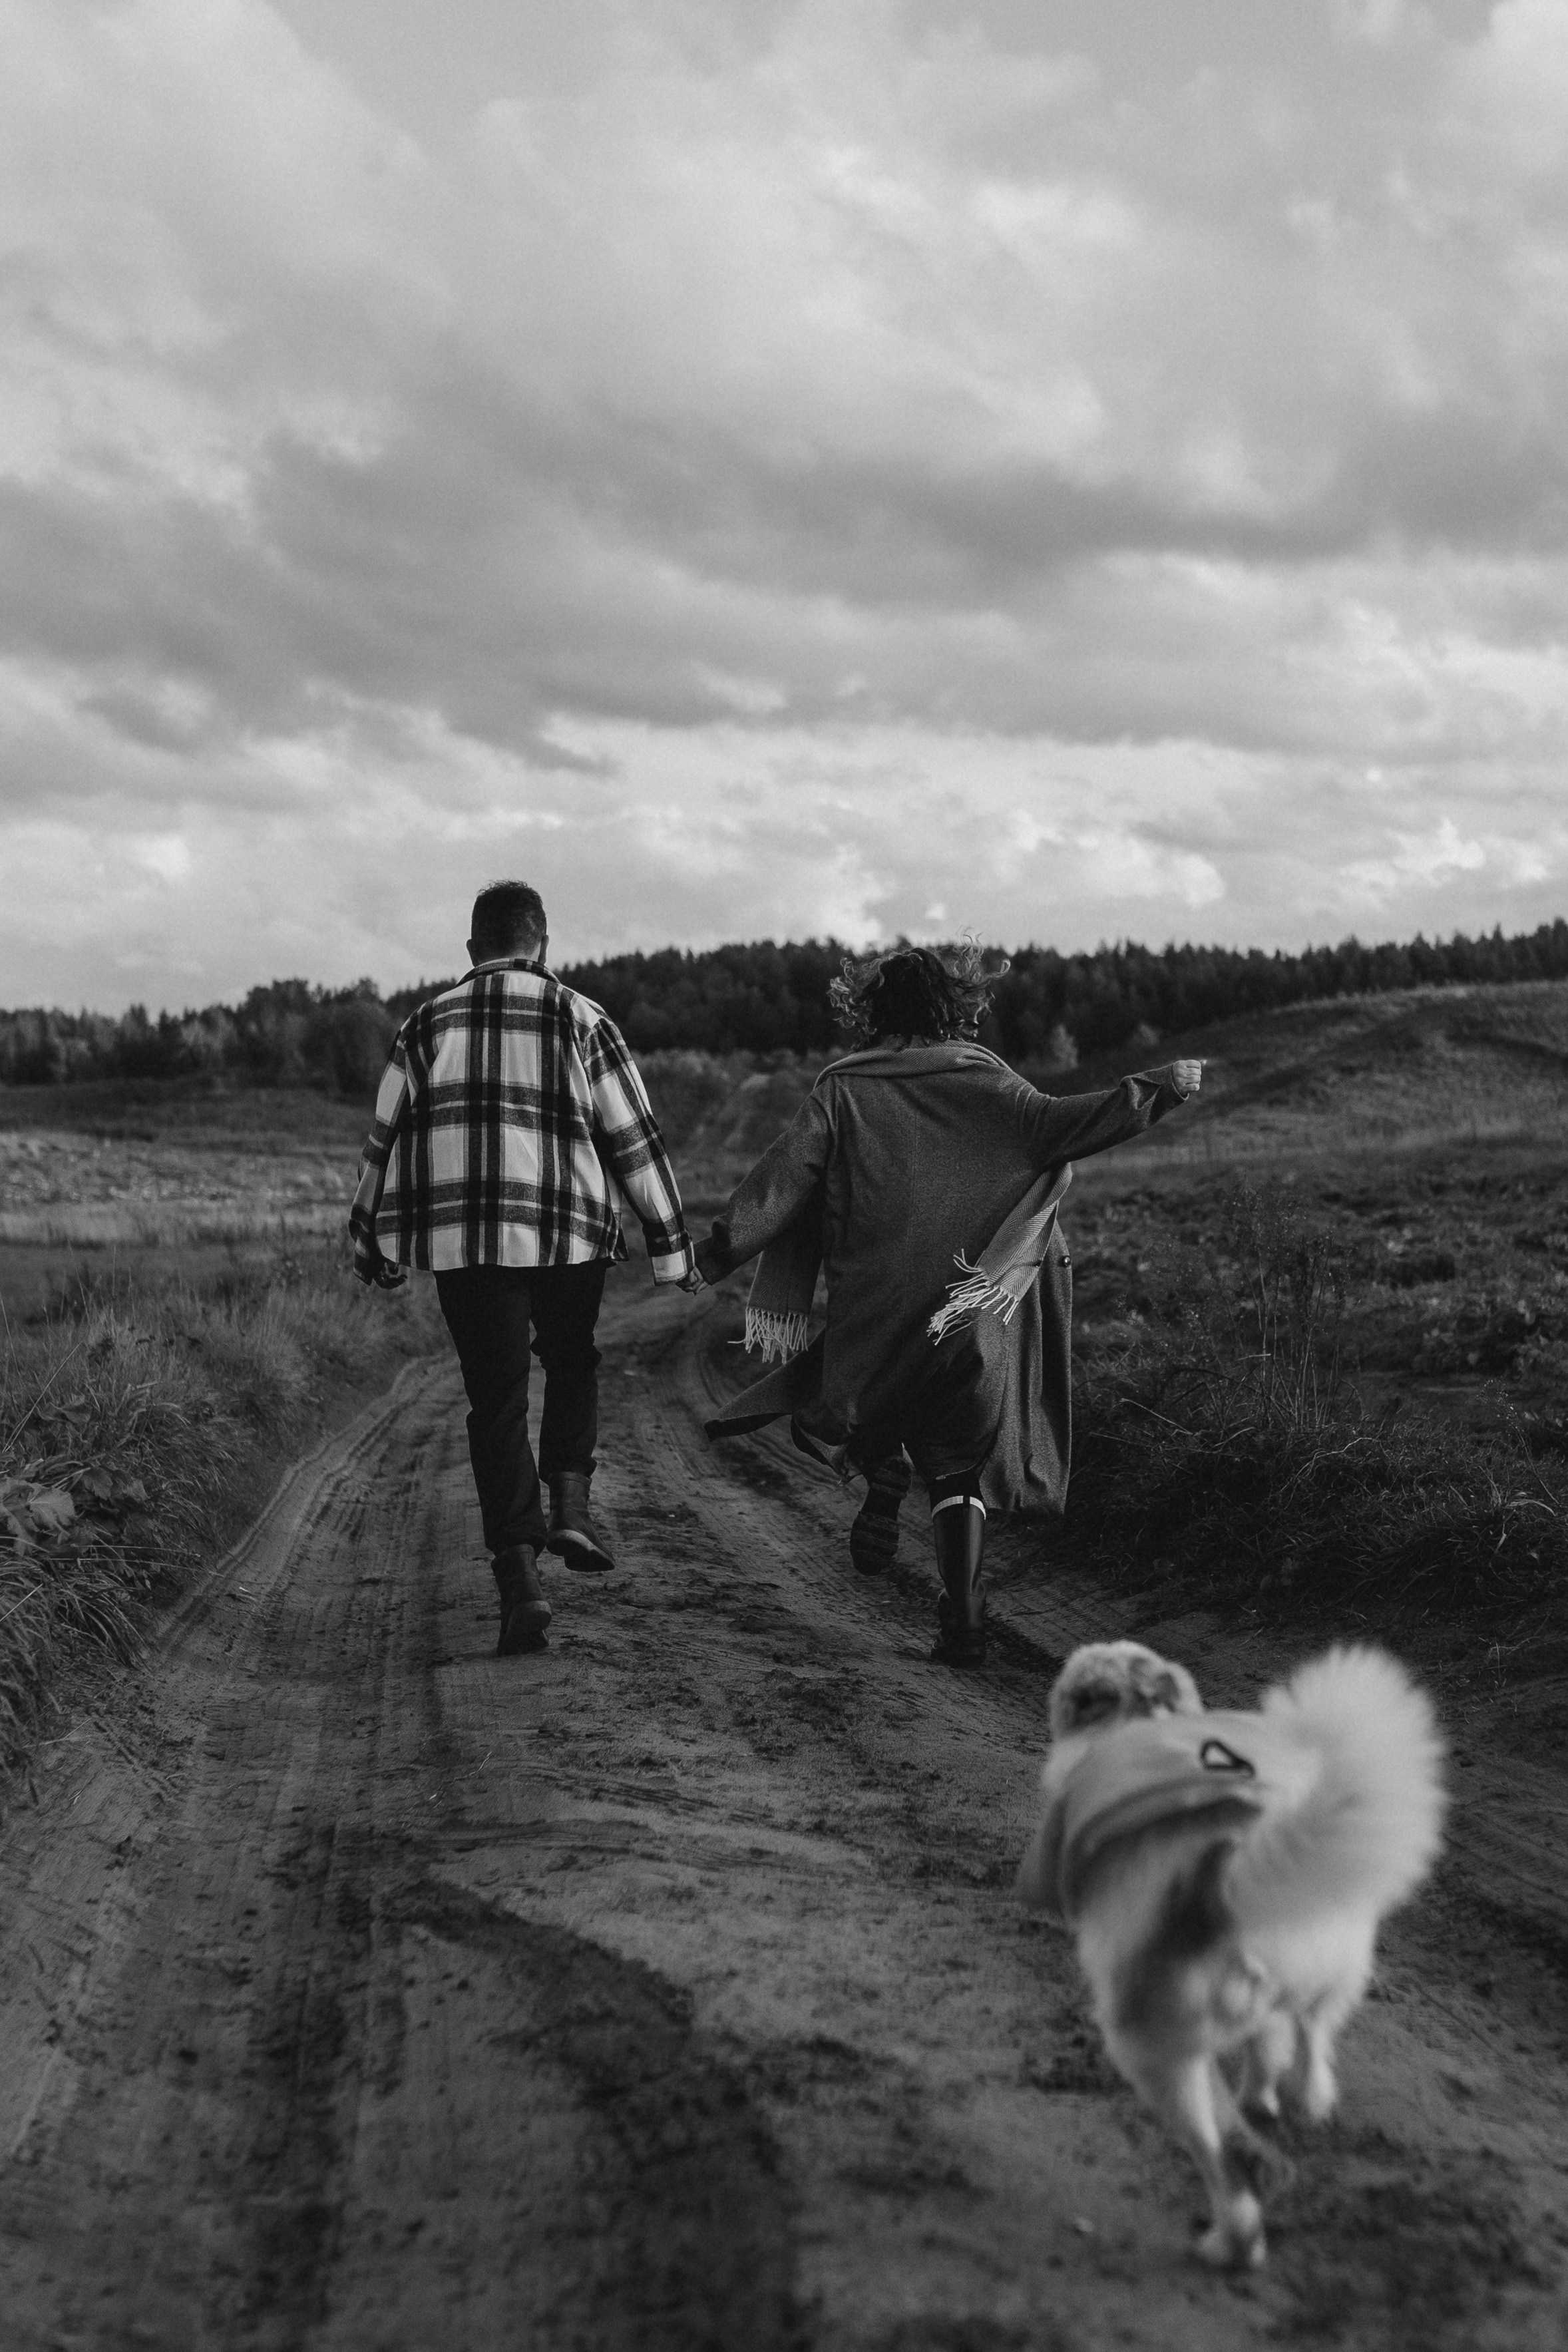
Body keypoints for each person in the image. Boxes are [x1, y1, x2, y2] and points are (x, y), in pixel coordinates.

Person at [695, 944, 1201, 1666]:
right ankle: (962, 1612)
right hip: (966, 1313)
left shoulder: (841, 1090)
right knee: (959, 1465)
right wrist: (1159, 1087)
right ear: (957, 1003)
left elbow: (782, 1182)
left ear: (868, 1009)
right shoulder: (988, 1083)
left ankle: (879, 1464)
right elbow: (1068, 1124)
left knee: (862, 1404)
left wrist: (715, 1253)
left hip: (873, 1308)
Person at [349, 881, 702, 1656]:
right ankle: (571, 1503)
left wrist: (367, 1232)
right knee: (572, 1358)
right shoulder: (584, 1018)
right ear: (543, 945)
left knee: (495, 1402)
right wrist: (670, 1244)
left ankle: (519, 1580)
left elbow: (385, 1135)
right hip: (568, 1235)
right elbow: (634, 1138)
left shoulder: (427, 1023)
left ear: (473, 949)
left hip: (466, 1244)